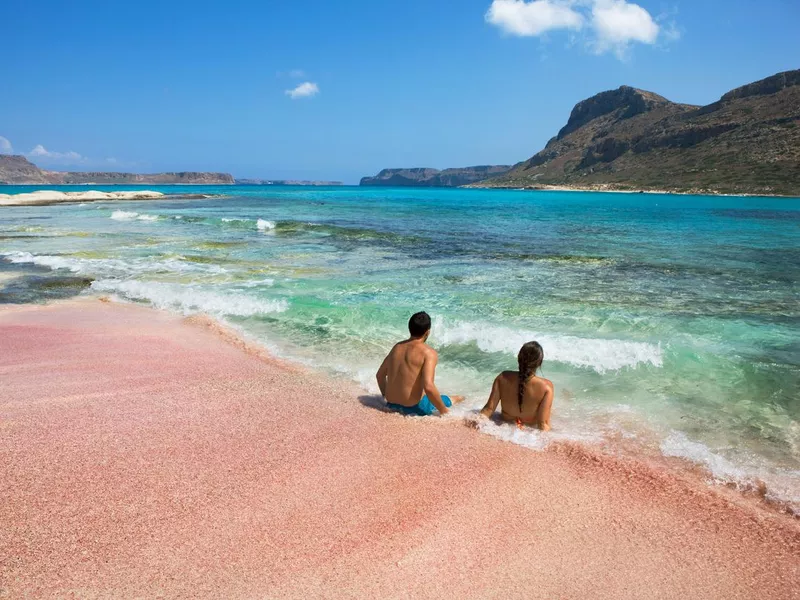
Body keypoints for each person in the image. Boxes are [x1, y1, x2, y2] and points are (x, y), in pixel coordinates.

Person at [376, 311, 463, 416]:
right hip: (415, 408)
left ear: (409, 328)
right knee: (456, 398)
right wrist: (444, 412)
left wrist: (386, 396)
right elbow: (429, 387)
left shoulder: (397, 347)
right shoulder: (428, 353)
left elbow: (380, 375)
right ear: (428, 332)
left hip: (391, 404)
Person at [479, 341, 553, 430]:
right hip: (528, 433)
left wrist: (476, 424)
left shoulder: (502, 377)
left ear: (518, 358)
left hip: (503, 428)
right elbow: (542, 424)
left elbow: (488, 410)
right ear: (539, 363)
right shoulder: (546, 387)